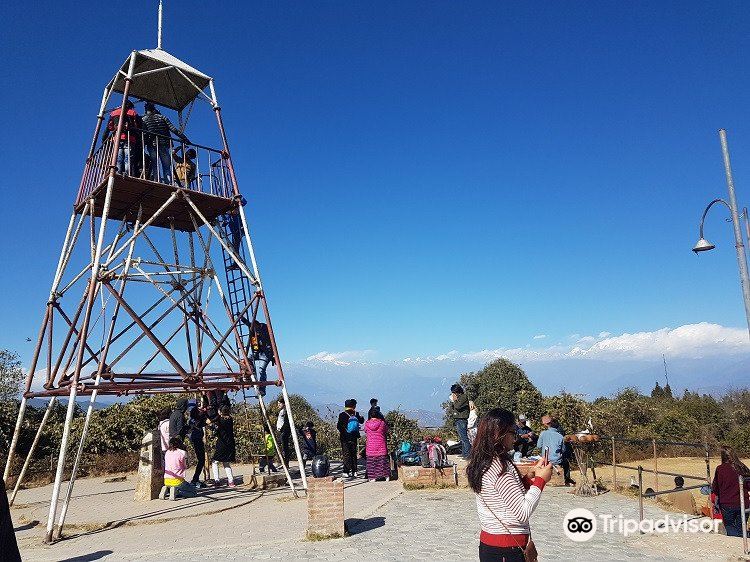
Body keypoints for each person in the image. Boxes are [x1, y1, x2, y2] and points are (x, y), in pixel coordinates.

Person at [468, 408, 552, 562]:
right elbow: (522, 512)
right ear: (498, 434)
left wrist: (528, 479)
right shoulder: (500, 468)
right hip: (506, 548)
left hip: (492, 543)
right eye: (513, 432)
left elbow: (503, 495)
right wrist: (541, 480)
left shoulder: (484, 462)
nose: (515, 437)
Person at [142, 102, 189, 184]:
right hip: (164, 144)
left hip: (152, 145)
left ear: (146, 110)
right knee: (166, 166)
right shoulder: (162, 117)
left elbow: (144, 134)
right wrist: (185, 138)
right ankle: (169, 182)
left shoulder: (144, 119)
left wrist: (143, 143)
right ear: (154, 109)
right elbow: (174, 130)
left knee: (155, 164)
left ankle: (157, 181)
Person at [712, 445, 750, 537]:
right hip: (743, 503)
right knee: (741, 528)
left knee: (730, 528)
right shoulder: (742, 467)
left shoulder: (720, 469)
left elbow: (715, 488)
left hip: (727, 504)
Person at [104, 100, 142, 176]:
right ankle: (128, 174)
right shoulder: (132, 112)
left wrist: (104, 140)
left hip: (117, 138)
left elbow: (109, 127)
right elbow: (138, 126)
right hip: (130, 138)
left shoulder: (114, 113)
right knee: (128, 158)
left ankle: (118, 172)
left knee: (118, 157)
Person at [536, 415, 575, 486]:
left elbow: (538, 446)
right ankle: (567, 480)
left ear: (547, 425)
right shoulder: (560, 436)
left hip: (546, 460)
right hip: (556, 460)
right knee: (566, 462)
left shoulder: (542, 434)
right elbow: (563, 450)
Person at [209, 405, 236, 487]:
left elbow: (215, 427)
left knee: (215, 462)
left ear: (220, 412)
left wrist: (210, 424)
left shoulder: (220, 420)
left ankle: (217, 480)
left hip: (222, 443)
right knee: (226, 463)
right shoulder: (230, 419)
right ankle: (231, 481)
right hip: (230, 443)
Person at [337, 399, 364, 478]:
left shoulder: (342, 414)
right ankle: (354, 471)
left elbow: (338, 426)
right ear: (353, 406)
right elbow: (362, 421)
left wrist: (344, 430)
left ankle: (346, 471)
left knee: (346, 454)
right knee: (353, 454)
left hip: (344, 438)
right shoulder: (356, 414)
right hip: (354, 437)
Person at [364, 410, 390, 481]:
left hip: (370, 446)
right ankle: (386, 476)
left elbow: (365, 431)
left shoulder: (367, 424)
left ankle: (373, 478)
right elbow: (386, 430)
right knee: (383, 462)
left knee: (372, 463)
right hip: (381, 445)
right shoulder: (382, 423)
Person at [251, 321, 274, 396]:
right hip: (258, 352)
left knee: (261, 370)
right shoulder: (254, 331)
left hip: (266, 353)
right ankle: (251, 377)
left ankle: (262, 389)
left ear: (258, 325)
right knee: (247, 360)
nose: (256, 331)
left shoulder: (265, 328)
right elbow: (248, 323)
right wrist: (241, 318)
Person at [188, 403, 208, 487]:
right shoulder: (197, 421)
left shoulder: (192, 420)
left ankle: (195, 478)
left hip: (196, 440)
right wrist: (205, 411)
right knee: (201, 460)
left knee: (201, 460)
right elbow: (205, 421)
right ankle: (195, 479)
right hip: (197, 441)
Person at [449, 383, 471, 459]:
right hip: (457, 419)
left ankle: (468, 454)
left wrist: (454, 400)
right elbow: (453, 408)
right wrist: (452, 402)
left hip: (462, 419)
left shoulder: (463, 397)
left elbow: (458, 407)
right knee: (461, 437)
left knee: (464, 437)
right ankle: (464, 453)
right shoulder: (457, 398)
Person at [276, 396, 292, 463]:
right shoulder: (282, 411)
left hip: (284, 431)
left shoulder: (285, 411)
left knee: (284, 447)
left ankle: (285, 461)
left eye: (280, 403)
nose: (278, 405)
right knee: (280, 446)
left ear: (284, 404)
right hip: (282, 431)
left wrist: (282, 430)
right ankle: (282, 461)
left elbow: (286, 422)